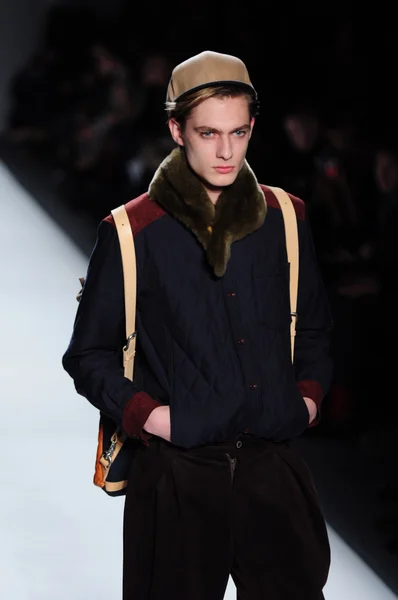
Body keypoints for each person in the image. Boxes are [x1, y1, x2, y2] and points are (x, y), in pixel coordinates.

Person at [62, 50, 334, 600]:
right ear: (176, 129)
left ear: (252, 127)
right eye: (209, 133)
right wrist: (151, 417)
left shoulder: (287, 218)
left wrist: (305, 398)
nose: (226, 151)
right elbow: (87, 354)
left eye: (238, 132)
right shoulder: (131, 231)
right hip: (177, 476)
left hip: (271, 466)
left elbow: (314, 327)